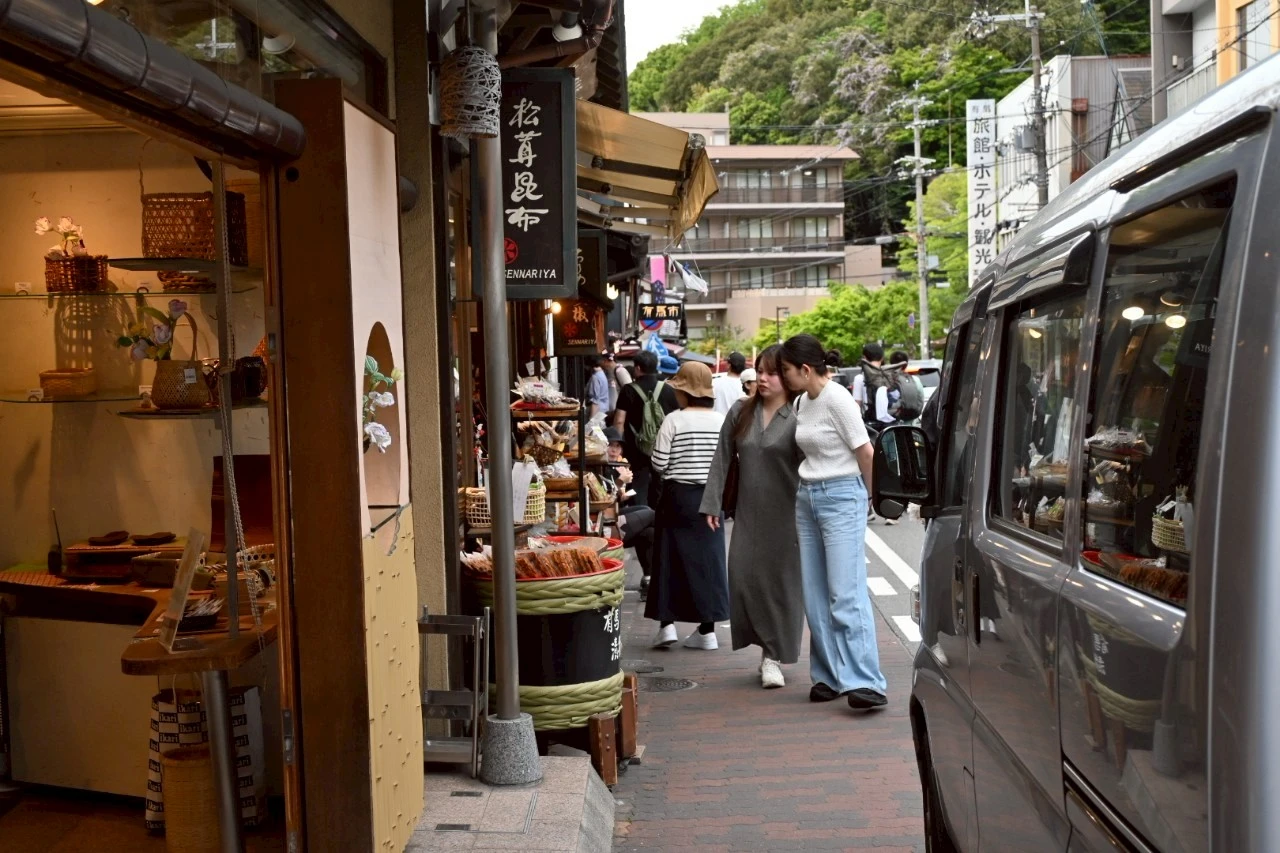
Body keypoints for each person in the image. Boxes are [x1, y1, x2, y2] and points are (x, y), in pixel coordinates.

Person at [781, 333, 888, 710]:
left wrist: (877, 500)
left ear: (806, 369)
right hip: (807, 498)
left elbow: (865, 452)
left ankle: (865, 680)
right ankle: (828, 675)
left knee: (845, 591)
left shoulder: (838, 399)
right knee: (815, 593)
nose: (784, 378)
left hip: (842, 496)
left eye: (787, 371)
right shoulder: (801, 403)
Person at [700, 345, 804, 688]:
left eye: (771, 372)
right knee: (743, 579)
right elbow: (722, 457)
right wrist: (712, 503)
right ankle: (763, 647)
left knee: (780, 587)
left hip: (789, 513)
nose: (762, 378)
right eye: (759, 371)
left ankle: (771, 656)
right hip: (747, 513)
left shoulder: (800, 414)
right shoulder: (741, 411)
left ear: (787, 376)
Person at [646, 362, 729, 651]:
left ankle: (666, 626)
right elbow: (728, 463)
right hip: (711, 499)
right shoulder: (721, 421)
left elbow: (658, 462)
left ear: (685, 392)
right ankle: (708, 631)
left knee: (668, 559)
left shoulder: (674, 420)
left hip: (678, 496)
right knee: (710, 562)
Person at [614, 351, 680, 509]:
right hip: (662, 447)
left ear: (637, 368)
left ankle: (641, 516)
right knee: (660, 483)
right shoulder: (668, 390)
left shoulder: (628, 390)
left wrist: (618, 445)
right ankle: (659, 518)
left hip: (635, 448)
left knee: (637, 483)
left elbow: (619, 420)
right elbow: (676, 419)